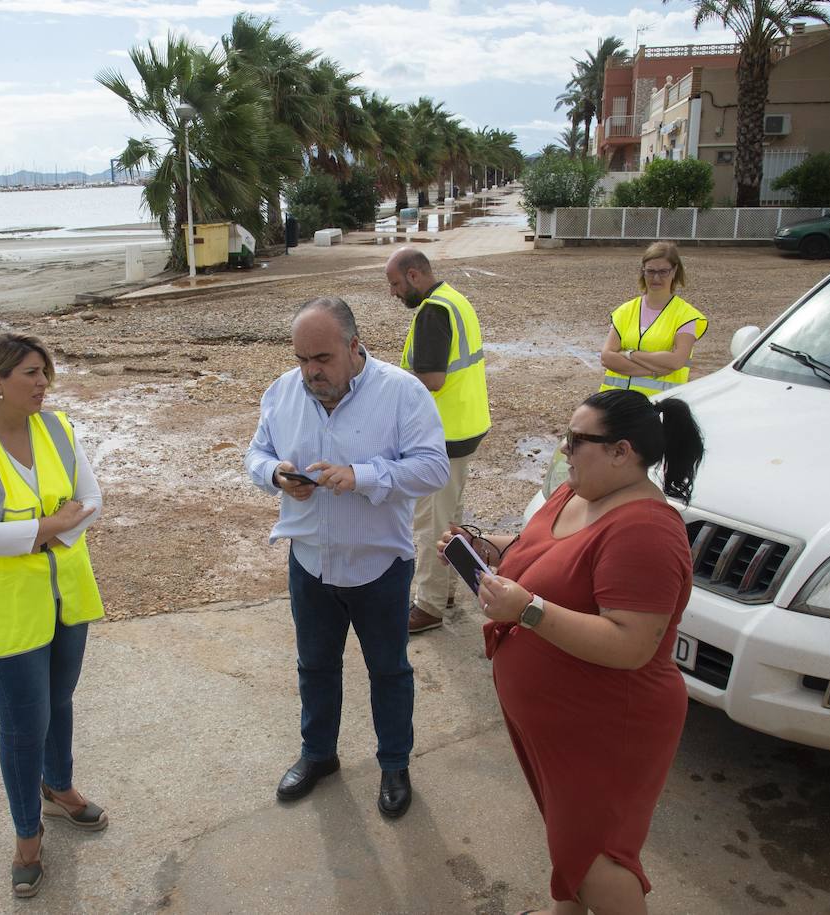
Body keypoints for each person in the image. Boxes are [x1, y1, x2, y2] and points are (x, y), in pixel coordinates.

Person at [441, 388, 704, 915]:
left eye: (577, 440)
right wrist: (496, 548)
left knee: (597, 858)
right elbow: (544, 547)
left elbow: (631, 643)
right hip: (558, 718)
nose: (563, 449)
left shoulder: (646, 531)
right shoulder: (579, 491)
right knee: (570, 838)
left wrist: (528, 610)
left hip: (609, 722)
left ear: (621, 451)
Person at [245, 296, 448, 819]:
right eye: (301, 360)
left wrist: (364, 476)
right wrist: (277, 475)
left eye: (322, 359)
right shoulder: (283, 393)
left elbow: (432, 469)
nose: (311, 372)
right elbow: (256, 455)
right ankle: (318, 755)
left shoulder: (402, 393)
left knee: (388, 670)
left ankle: (395, 764)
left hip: (379, 566)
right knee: (314, 666)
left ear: (354, 347)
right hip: (311, 563)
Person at [0, 333, 109, 898]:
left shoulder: (56, 429)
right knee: (23, 724)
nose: (42, 383)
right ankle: (27, 836)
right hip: (4, 611)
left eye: (45, 372)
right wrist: (54, 527)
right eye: (30, 373)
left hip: (64, 598)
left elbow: (92, 497)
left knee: (59, 702)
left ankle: (59, 790)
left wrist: (45, 533)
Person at [385, 247, 491, 635]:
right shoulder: (455, 299)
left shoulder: (433, 311)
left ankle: (428, 606)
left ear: (414, 276)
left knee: (431, 523)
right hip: (466, 425)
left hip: (443, 435)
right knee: (450, 519)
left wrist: (389, 384)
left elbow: (432, 379)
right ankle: (445, 591)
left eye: (395, 284)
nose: (393, 293)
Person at [599, 240, 707, 396]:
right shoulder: (625, 311)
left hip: (658, 405)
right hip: (616, 404)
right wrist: (654, 370)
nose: (656, 278)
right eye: (650, 271)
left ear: (675, 270)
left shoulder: (686, 316)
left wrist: (629, 354)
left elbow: (677, 360)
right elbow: (607, 358)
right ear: (643, 271)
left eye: (663, 271)